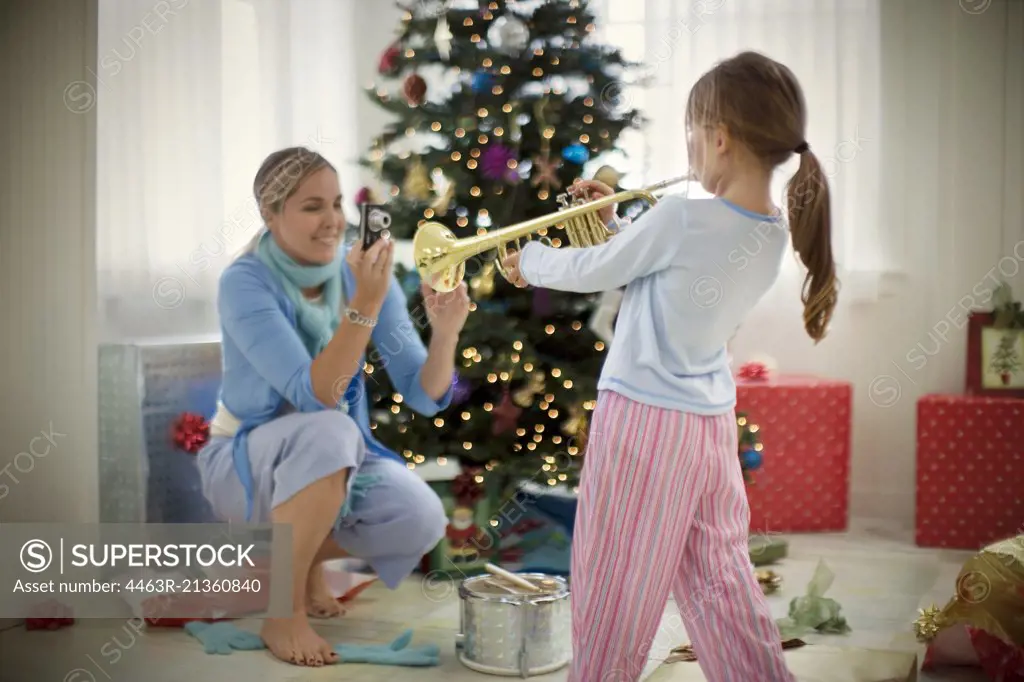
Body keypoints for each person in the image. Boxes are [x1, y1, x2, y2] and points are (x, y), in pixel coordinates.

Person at [500, 51, 838, 681]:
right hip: (708, 427)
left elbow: (606, 270)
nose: (690, 151)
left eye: (692, 135)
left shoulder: (682, 217)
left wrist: (536, 260)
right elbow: (670, 271)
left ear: (720, 137)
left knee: (615, 585)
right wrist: (616, 223)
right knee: (721, 580)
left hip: (644, 424)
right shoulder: (768, 231)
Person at [197, 146, 470, 667]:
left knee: (421, 517)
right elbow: (315, 394)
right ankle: (284, 611)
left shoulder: (358, 272)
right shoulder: (244, 283)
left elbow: (423, 389)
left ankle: (295, 563)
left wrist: (446, 332)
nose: (333, 222)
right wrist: (364, 306)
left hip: (336, 457)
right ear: (269, 215)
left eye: (338, 203)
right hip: (244, 459)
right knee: (329, 428)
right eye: (311, 207)